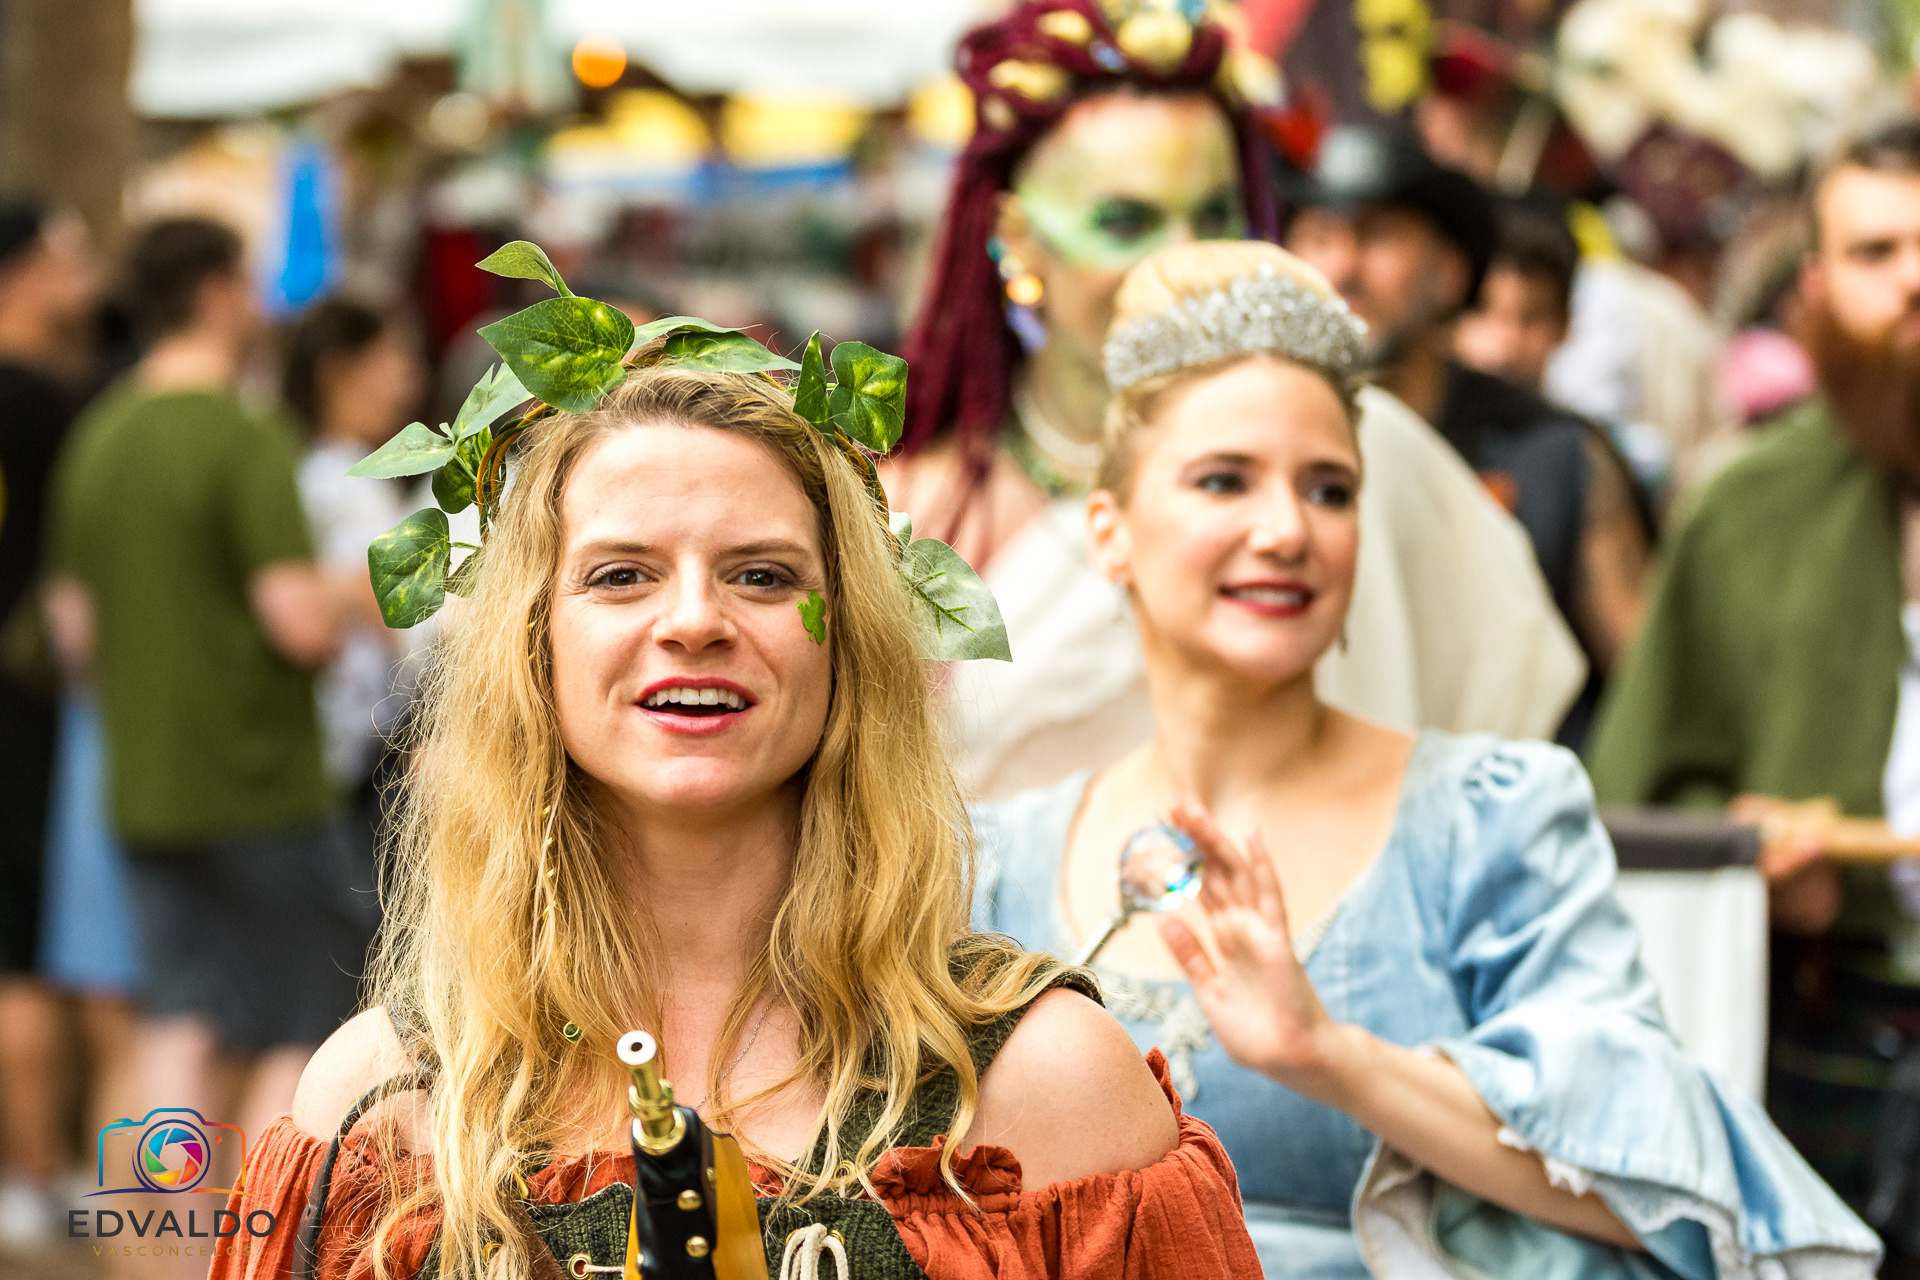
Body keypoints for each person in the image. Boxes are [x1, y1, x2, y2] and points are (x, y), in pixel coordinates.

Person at [216, 343, 1261, 1280]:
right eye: (621, 575)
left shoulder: (1051, 1087)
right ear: (532, 645)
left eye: (762, 575)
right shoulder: (385, 1104)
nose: (693, 620)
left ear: (848, 640)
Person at [972, 239, 1880, 1278]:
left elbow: (1667, 1195)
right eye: (1225, 480)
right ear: (1110, 530)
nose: (1286, 529)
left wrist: (1329, 1055)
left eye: (1329, 490)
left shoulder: (1488, 821)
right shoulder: (997, 864)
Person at [888, 0, 1582, 799]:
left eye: (1216, 214)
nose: (1184, 257)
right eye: (1126, 220)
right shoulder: (921, 505)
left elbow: (1498, 717)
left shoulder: (1367, 447)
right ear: (1017, 239)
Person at [1587, 120, 1920, 1253]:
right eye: (1877, 252)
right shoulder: (1746, 510)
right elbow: (1637, 806)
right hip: (1831, 1027)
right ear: (1816, 291)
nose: (1914, 279)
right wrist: (1750, 862)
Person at [42, 218, 374, 1222]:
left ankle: (157, 1252)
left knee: (180, 1022)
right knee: (302, 1028)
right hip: (260, 785)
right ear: (220, 293)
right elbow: (299, 622)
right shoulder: (242, 434)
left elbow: (72, 632)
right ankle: (260, 1254)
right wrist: (364, 591)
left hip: (145, 789)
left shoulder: (100, 436)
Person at [1285, 125, 1650, 746]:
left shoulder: (1554, 453)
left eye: (1377, 236)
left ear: (1450, 273)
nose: (1343, 267)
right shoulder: (1263, 455)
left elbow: (1646, 688)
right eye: (1318, 238)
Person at [0, 201, 93, 1247]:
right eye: (66, 257)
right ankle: (34, 1170)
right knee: (23, 944)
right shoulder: (39, 404)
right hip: (24, 707)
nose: (84, 277)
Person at [282, 298, 426, 847]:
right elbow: (389, 606)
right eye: (394, 361)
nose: (409, 383)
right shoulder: (342, 481)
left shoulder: (316, 470)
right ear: (338, 371)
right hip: (359, 749)